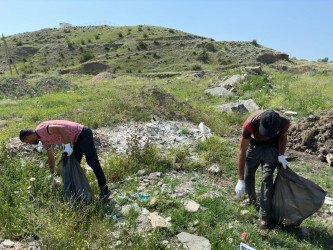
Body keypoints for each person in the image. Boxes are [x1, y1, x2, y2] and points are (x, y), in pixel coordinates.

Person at [19, 120, 111, 201]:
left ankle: (105, 190)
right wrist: (51, 173)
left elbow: (61, 129)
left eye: (27, 142)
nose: (30, 144)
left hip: (83, 134)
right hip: (76, 140)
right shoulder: (43, 141)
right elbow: (50, 156)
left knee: (92, 162)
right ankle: (78, 192)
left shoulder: (41, 129)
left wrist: (67, 146)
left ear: (28, 137)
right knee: (73, 165)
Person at [234, 110, 290, 233]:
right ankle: (251, 198)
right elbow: (242, 151)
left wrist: (281, 155)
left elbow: (282, 137)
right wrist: (240, 179)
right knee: (248, 175)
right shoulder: (250, 124)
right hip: (254, 146)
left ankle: (265, 219)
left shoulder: (284, 122)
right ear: (260, 121)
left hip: (271, 148)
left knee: (267, 179)